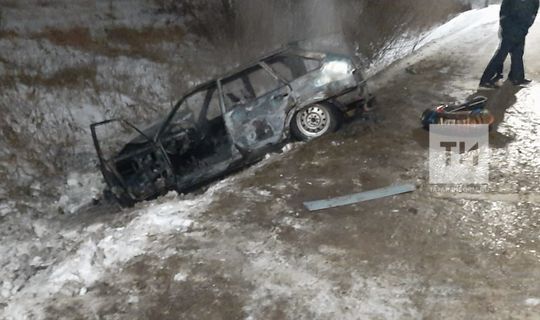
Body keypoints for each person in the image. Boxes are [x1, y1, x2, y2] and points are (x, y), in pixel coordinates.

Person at [480, 0, 539, 88]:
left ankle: (517, 78)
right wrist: (507, 27)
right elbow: (504, 12)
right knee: (501, 55)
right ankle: (486, 79)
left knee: (518, 53)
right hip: (510, 29)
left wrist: (526, 26)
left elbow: (534, 12)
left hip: (522, 29)